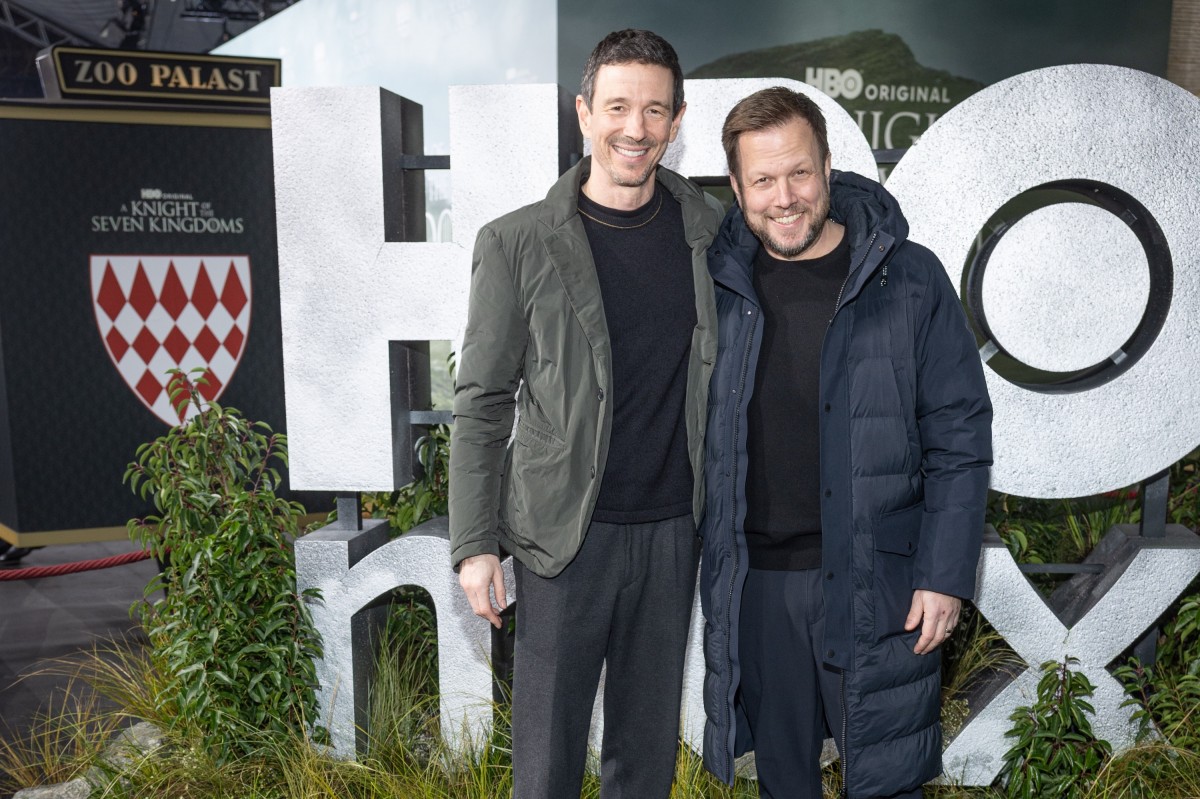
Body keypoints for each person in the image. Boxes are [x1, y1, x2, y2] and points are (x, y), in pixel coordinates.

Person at [449, 29, 721, 799]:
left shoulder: (710, 234)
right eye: (618, 106)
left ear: (677, 120)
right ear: (584, 112)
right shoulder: (516, 242)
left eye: (655, 109)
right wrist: (475, 544)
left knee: (646, 760)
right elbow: (482, 401)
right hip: (561, 538)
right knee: (546, 761)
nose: (636, 127)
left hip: (672, 533)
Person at [699, 87, 993, 799]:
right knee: (782, 785)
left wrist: (946, 574)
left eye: (799, 172)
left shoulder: (909, 276)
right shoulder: (714, 283)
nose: (784, 198)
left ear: (828, 167)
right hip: (757, 589)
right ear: (737, 187)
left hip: (878, 583)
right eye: (763, 180)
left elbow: (960, 434)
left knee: (888, 781)